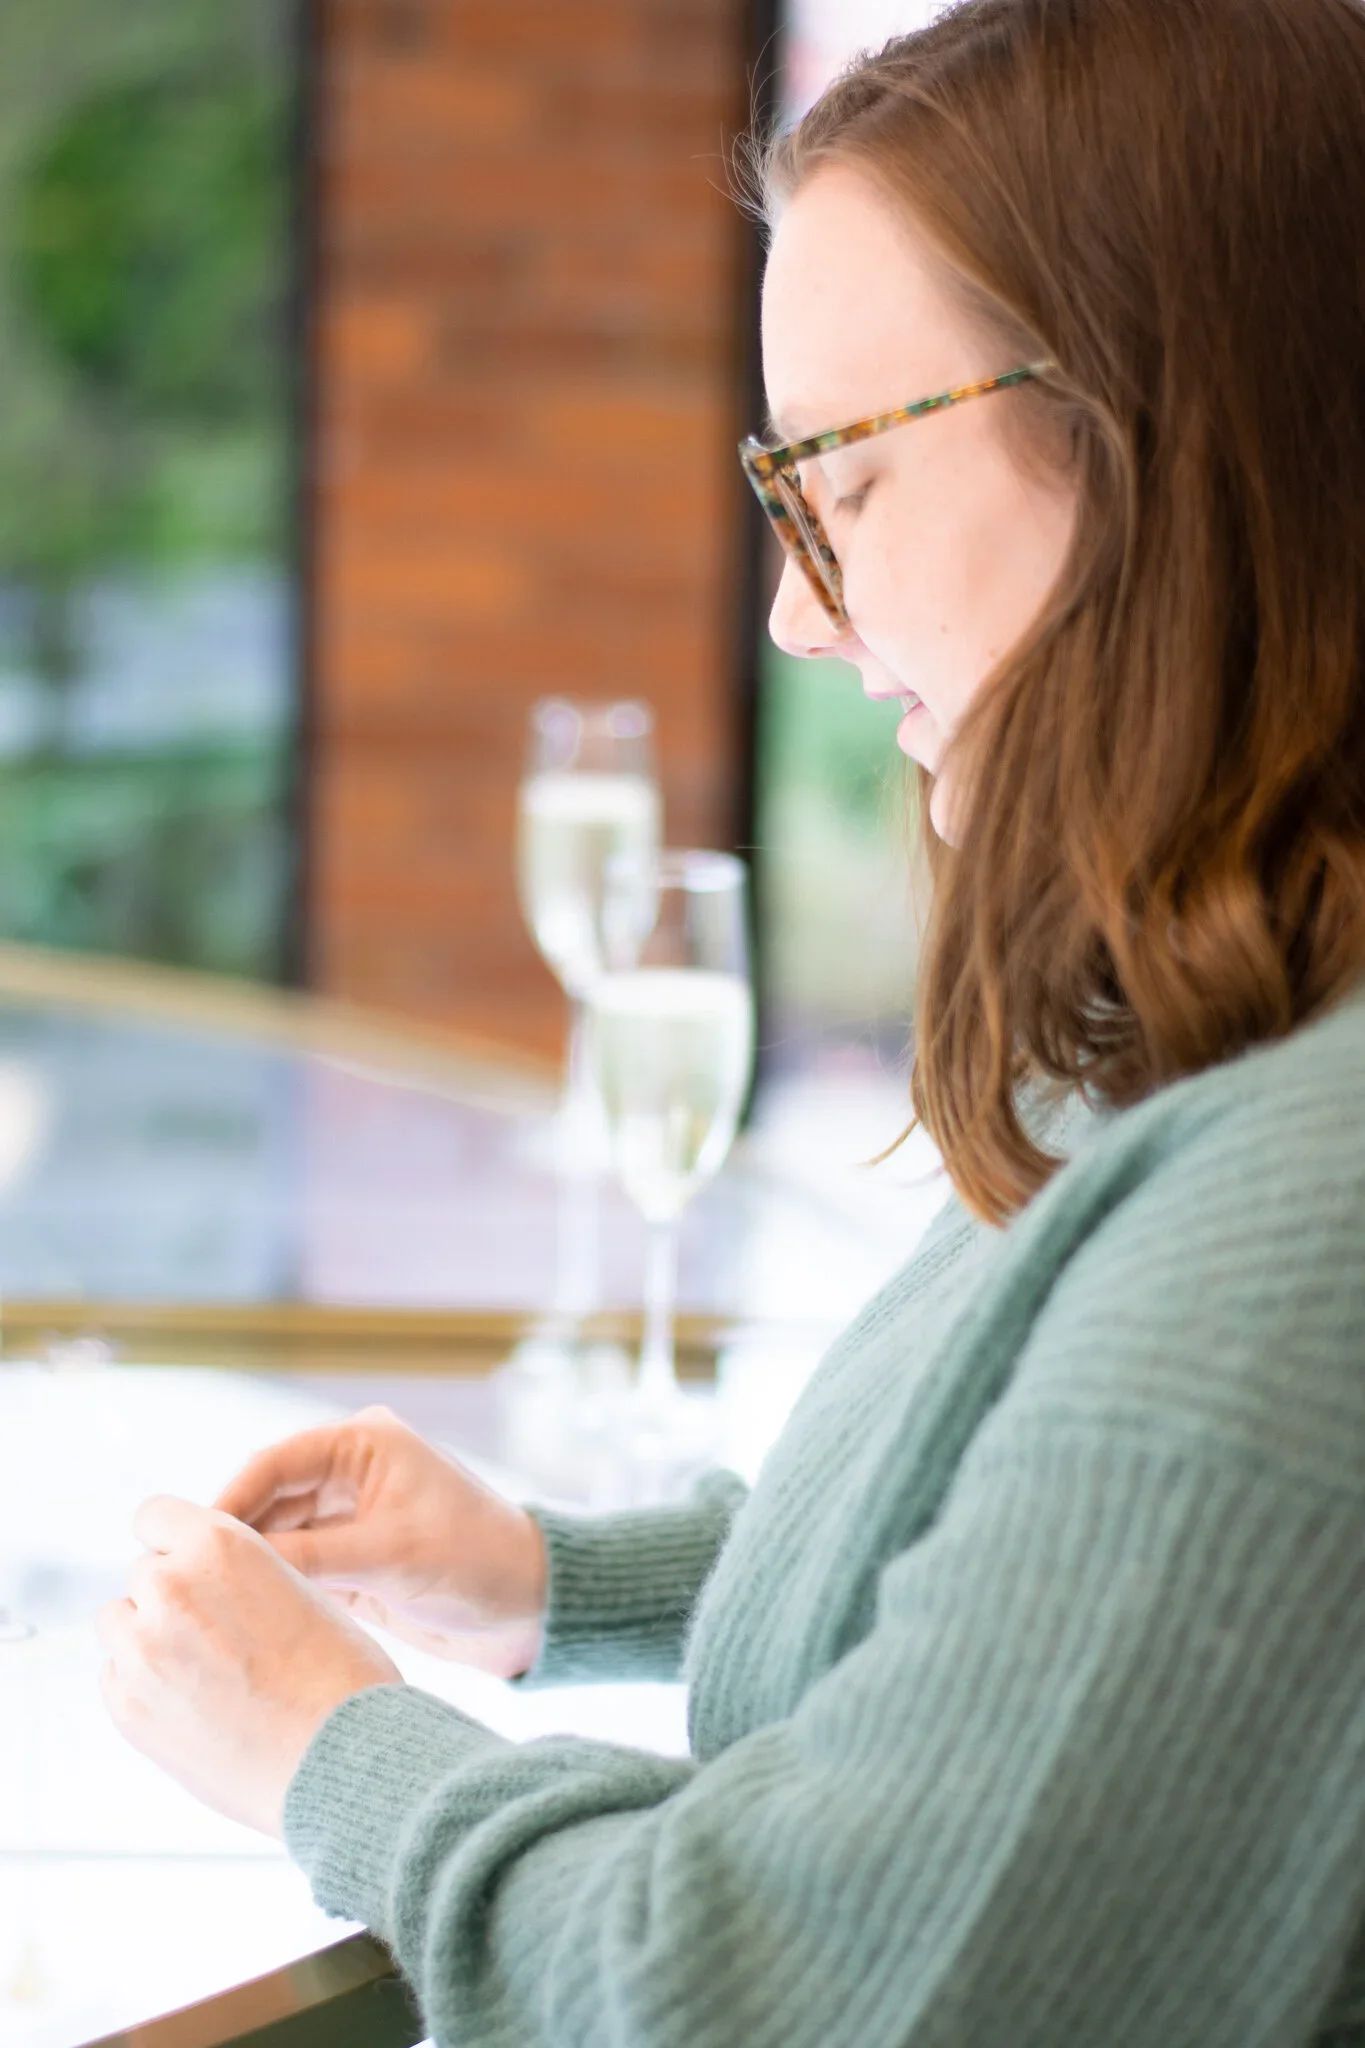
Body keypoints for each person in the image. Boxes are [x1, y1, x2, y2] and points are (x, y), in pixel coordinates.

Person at [97, 0, 1365, 2040]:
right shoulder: (1214, 1028)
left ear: (1148, 423)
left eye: (835, 482)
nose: (794, 607)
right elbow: (1064, 1606)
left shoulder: (1310, 1217)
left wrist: (324, 1744)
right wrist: (552, 1574)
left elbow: (761, 1994)